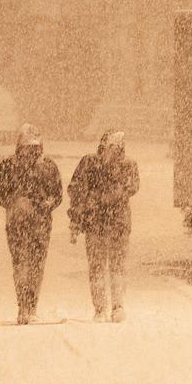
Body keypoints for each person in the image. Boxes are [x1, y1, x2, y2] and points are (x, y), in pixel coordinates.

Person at [0, 124, 63, 324]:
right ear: (20, 146)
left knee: (36, 266)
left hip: (41, 224)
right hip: (17, 224)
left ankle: (32, 306)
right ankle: (23, 305)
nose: (32, 152)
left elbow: (57, 194)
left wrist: (49, 203)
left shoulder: (48, 167)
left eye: (36, 147)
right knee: (21, 264)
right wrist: (15, 202)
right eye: (28, 147)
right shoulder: (8, 166)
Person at [67, 130, 141, 322]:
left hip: (116, 224)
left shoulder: (128, 166)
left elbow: (132, 187)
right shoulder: (89, 164)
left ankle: (117, 306)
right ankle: (101, 308)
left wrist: (103, 197)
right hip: (98, 224)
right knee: (99, 266)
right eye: (111, 148)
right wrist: (80, 212)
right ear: (103, 147)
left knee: (116, 266)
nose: (114, 153)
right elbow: (76, 188)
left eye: (118, 149)